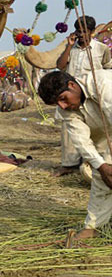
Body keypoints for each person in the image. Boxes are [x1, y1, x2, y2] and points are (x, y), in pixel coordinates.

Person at [38, 70, 112, 242]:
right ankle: (94, 227)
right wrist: (101, 166)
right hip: (105, 136)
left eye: (63, 98)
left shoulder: (102, 83)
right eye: (57, 103)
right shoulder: (66, 110)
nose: (63, 106)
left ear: (72, 85)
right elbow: (81, 141)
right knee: (103, 175)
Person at [54, 16, 112, 176]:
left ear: (92, 32)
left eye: (84, 31)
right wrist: (68, 46)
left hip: (93, 94)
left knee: (99, 128)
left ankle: (99, 162)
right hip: (71, 94)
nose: (80, 34)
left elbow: (108, 68)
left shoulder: (101, 49)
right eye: (78, 31)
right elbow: (60, 66)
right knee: (69, 128)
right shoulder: (71, 50)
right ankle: (69, 164)